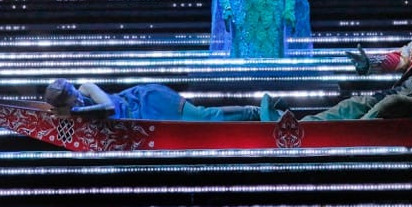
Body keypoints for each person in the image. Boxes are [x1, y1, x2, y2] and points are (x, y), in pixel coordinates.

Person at [44, 78, 281, 121]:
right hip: (141, 121)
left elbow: (108, 109)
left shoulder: (86, 88)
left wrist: (72, 113)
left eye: (74, 96)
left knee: (200, 117)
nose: (76, 100)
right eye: (71, 101)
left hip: (148, 102)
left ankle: (253, 111)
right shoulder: (67, 110)